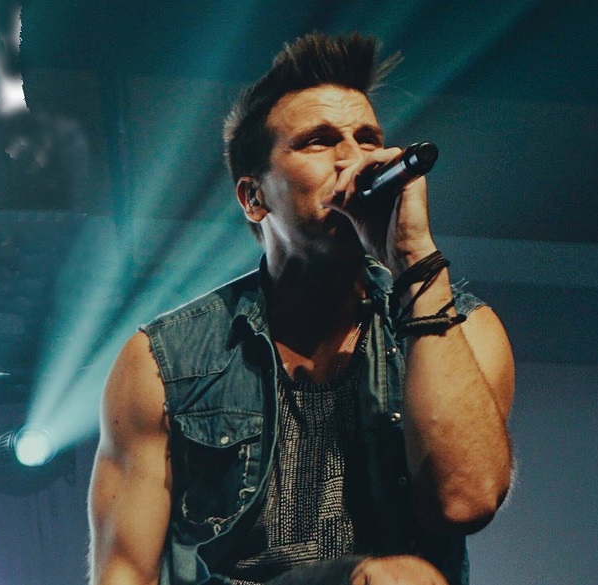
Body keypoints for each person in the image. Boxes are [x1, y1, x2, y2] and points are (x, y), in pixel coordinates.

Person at [87, 31, 515, 585]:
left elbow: (463, 501)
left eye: (368, 138)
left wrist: (415, 259)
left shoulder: (463, 327)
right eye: (318, 141)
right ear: (253, 197)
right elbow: (124, 574)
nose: (354, 159)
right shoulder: (162, 364)